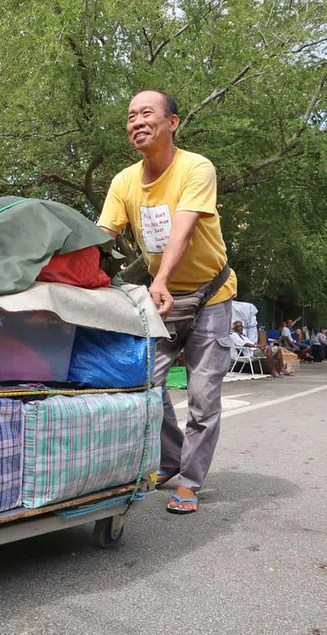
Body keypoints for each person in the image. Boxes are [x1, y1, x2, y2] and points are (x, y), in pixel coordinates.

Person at [99, 89, 237, 515]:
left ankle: (190, 482)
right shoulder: (123, 182)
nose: (137, 122)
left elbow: (184, 227)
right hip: (161, 300)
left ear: (172, 122)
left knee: (202, 397)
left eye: (147, 113)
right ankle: (171, 457)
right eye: (130, 116)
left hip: (209, 296)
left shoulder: (196, 168)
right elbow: (102, 237)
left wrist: (159, 279)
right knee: (145, 384)